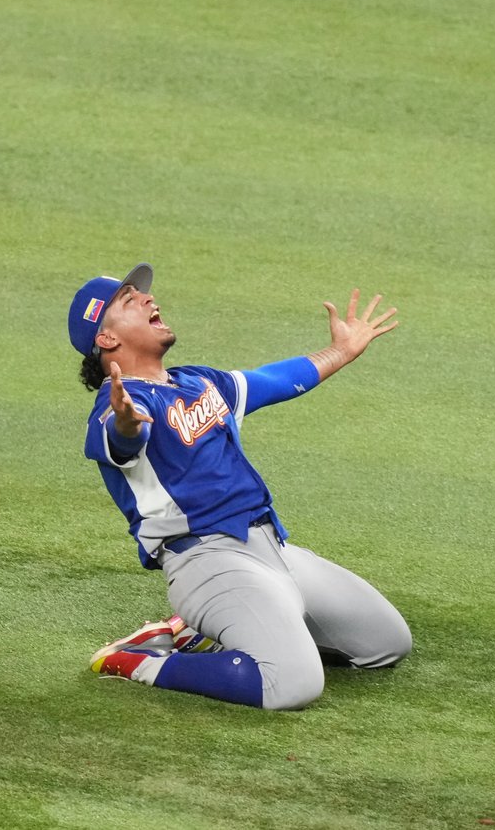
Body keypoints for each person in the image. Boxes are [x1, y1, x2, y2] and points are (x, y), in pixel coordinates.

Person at [67, 263, 412, 708]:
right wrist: (127, 424)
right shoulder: (115, 407)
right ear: (106, 338)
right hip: (208, 563)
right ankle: (134, 660)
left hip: (275, 550)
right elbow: (120, 437)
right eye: (130, 301)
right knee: (291, 685)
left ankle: (192, 633)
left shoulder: (198, 381)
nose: (150, 300)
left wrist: (340, 351)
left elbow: (274, 380)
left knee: (386, 644)